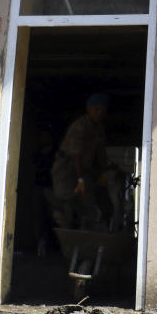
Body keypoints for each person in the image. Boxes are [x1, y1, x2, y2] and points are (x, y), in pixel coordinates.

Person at [49, 93, 113, 231]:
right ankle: (64, 238)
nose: (100, 113)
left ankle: (83, 235)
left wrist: (103, 173)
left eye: (103, 109)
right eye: (96, 109)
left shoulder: (98, 128)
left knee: (87, 204)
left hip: (83, 170)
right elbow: (75, 155)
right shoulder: (80, 126)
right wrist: (80, 179)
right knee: (65, 204)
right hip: (67, 171)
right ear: (89, 109)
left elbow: (100, 152)